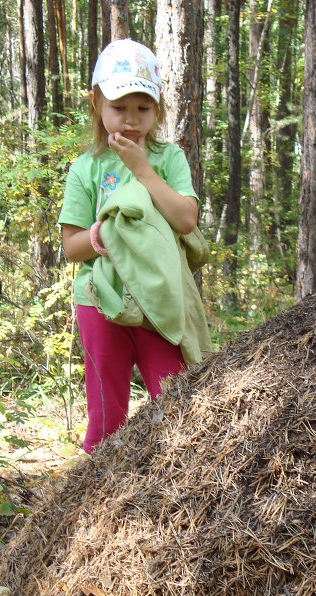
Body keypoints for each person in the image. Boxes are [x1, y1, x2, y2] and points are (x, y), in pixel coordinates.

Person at [59, 39, 211, 454]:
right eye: (119, 107)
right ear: (97, 104)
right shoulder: (87, 168)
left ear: (158, 109)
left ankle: (172, 494)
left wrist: (143, 170)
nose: (130, 120)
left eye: (142, 109)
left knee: (177, 403)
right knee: (107, 418)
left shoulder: (168, 159)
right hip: (100, 300)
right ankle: (92, 508)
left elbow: (185, 219)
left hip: (159, 301)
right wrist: (99, 237)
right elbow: (71, 247)